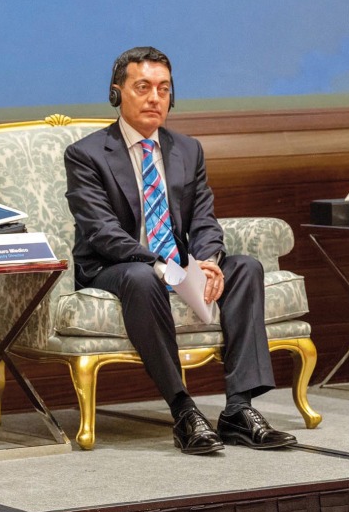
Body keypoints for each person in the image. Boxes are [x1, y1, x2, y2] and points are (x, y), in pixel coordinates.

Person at [64, 46, 297, 454]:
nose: (155, 97)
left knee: (247, 268)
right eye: (143, 87)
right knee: (141, 277)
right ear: (117, 93)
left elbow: (204, 219)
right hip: (115, 266)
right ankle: (183, 409)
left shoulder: (187, 150)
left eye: (164, 89)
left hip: (178, 262)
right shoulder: (87, 154)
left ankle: (239, 409)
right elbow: (100, 231)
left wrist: (208, 262)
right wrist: (157, 263)